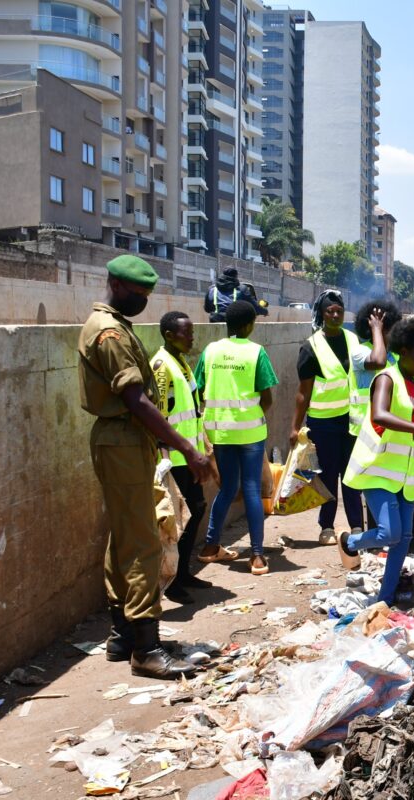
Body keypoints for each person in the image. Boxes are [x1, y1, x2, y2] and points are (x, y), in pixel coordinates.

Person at [78, 254, 210, 679]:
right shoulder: (110, 332)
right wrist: (186, 447)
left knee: (124, 537)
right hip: (123, 439)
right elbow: (135, 399)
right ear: (117, 285)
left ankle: (124, 636)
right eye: (139, 293)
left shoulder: (113, 324)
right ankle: (146, 649)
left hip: (125, 439)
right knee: (142, 543)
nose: (144, 301)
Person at [340, 317, 414, 605]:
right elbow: (380, 414)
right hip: (378, 469)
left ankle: (385, 599)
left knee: (403, 539)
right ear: (402, 351)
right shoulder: (386, 378)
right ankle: (350, 542)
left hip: (407, 475)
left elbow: (412, 437)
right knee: (390, 532)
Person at [197, 301, 278, 576]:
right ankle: (257, 556)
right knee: (252, 489)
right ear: (249, 325)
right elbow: (267, 398)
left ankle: (210, 546)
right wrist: (249, 416)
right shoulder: (256, 352)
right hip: (250, 432)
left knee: (228, 488)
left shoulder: (210, 351)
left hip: (220, 431)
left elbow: (198, 387)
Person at [288, 290, 370, 546]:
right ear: (321, 315)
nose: (335, 315)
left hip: (352, 420)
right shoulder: (310, 347)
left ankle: (357, 525)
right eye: (330, 311)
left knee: (352, 475)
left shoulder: (353, 341)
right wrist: (295, 427)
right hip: (323, 423)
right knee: (328, 476)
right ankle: (326, 527)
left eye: (339, 311)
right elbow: (303, 393)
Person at [150, 311, 211, 605]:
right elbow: (158, 414)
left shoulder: (182, 363)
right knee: (178, 520)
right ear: (169, 335)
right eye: (186, 333)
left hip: (188, 456)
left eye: (192, 333)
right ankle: (172, 581)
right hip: (173, 459)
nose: (191, 338)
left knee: (196, 509)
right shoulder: (162, 366)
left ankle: (183, 572)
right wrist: (163, 458)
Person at [348, 299, 401, 441]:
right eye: (390, 330)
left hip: (388, 429)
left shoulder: (395, 356)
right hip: (363, 431)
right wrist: (377, 329)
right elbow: (378, 361)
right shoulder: (360, 351)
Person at [204, 267, 268, 323]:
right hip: (233, 325)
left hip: (215, 322)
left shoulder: (212, 289)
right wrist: (265, 312)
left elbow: (207, 309)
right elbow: (255, 307)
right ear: (236, 276)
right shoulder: (241, 289)